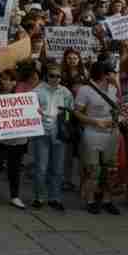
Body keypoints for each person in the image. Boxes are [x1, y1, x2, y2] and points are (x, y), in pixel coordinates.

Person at [74, 61, 121, 215]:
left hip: (112, 132)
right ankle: (91, 200)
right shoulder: (85, 90)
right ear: (104, 74)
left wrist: (118, 87)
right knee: (92, 170)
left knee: (110, 169)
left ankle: (107, 200)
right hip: (92, 133)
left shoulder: (113, 89)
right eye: (111, 72)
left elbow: (119, 107)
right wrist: (95, 121)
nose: (114, 75)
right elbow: (77, 112)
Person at [0, 68, 28, 209]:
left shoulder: (23, 98)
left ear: (14, 82)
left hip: (17, 140)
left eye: (7, 79)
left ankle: (14, 196)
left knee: (14, 168)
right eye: (2, 79)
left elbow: (28, 115)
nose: (4, 82)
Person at [31, 63, 72, 210]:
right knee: (41, 167)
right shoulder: (37, 91)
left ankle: (55, 198)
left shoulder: (66, 93)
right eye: (52, 76)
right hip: (42, 132)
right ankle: (39, 197)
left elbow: (69, 111)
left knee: (58, 169)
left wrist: (65, 120)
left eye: (58, 76)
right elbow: (29, 110)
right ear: (46, 76)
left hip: (59, 133)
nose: (55, 79)